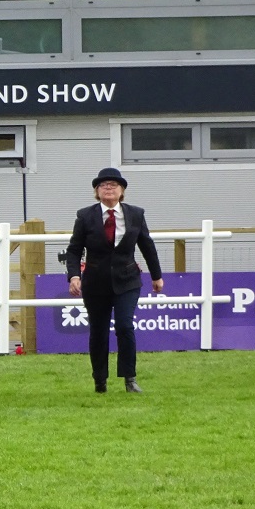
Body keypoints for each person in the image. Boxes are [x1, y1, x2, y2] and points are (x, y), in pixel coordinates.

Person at [66, 167, 165, 394]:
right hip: (95, 283)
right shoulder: (85, 216)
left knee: (124, 326)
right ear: (96, 192)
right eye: (103, 185)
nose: (108, 188)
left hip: (127, 280)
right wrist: (74, 276)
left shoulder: (136, 214)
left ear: (122, 191)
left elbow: (147, 246)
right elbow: (74, 250)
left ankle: (129, 379)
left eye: (113, 185)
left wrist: (156, 276)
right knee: (98, 331)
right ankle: (100, 381)